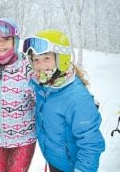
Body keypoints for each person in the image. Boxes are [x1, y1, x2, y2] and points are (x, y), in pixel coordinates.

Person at [22, 29, 105, 172]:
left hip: (71, 166)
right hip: (54, 160)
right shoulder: (44, 87)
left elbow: (91, 143)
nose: (40, 65)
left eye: (46, 58)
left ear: (62, 59)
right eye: (35, 60)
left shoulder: (77, 98)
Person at [0, 18, 36, 172]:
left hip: (24, 139)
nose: (0, 44)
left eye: (6, 39)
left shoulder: (28, 67)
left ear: (15, 42)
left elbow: (46, 92)